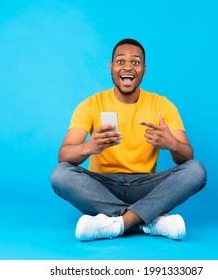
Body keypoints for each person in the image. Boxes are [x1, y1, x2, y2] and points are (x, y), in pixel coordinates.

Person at [50, 38, 207, 241]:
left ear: (144, 69)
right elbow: (64, 155)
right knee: (60, 174)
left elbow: (186, 157)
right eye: (120, 61)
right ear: (111, 67)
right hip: (103, 187)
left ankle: (119, 223)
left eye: (135, 62)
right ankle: (149, 221)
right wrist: (89, 147)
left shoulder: (162, 105)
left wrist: (172, 144)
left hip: (146, 185)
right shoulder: (91, 104)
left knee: (196, 170)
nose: (128, 67)